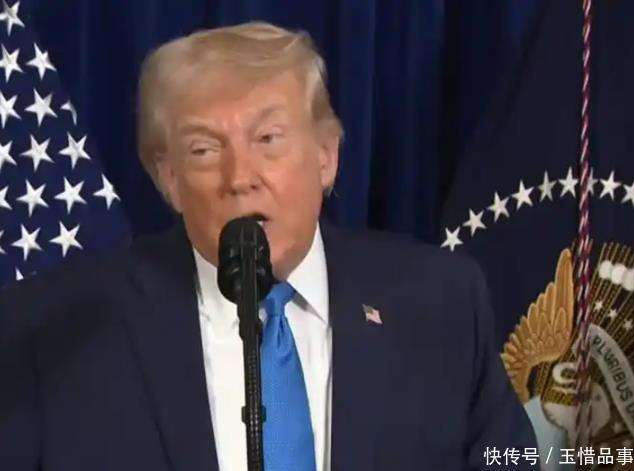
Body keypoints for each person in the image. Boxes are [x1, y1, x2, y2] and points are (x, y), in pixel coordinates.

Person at [0, 22, 537, 470]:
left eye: (268, 139)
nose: (240, 178)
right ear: (169, 179)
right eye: (204, 149)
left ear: (326, 156)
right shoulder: (56, 329)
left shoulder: (440, 302)